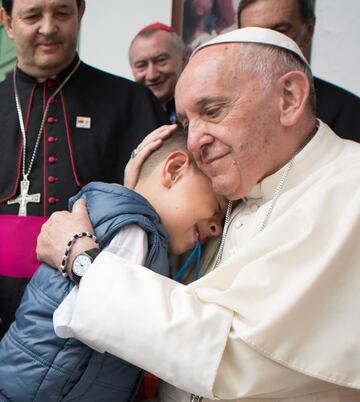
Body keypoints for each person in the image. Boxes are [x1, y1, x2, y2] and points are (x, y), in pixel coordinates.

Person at [37, 27, 360, 401]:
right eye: (189, 123)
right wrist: (142, 201)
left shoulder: (347, 191)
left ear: (288, 98)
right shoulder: (242, 180)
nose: (194, 142)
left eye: (213, 111)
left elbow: (235, 357)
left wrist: (82, 261)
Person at [0, 128, 225, 401]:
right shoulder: (133, 230)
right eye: (216, 206)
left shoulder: (121, 216)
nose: (216, 228)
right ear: (175, 169)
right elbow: (80, 318)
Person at [0, 0, 167, 338]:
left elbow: (160, 217)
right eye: (32, 15)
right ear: (7, 21)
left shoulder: (130, 102)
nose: (48, 27)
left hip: (95, 312)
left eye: (62, 13)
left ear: (81, 13)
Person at [236, 0, 360, 142]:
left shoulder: (349, 113)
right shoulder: (220, 112)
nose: (267, 44)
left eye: (280, 31)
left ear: (308, 31)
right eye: (254, 34)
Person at [129, 22, 187, 124]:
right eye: (141, 65)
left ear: (183, 60)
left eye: (161, 60)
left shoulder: (203, 109)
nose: (152, 75)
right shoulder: (124, 115)